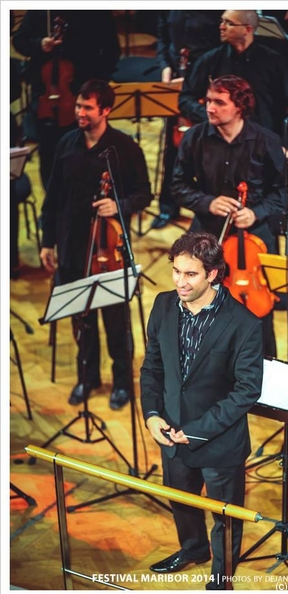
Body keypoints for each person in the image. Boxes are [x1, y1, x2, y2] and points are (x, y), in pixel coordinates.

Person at [140, 231, 263, 589]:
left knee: (225, 517)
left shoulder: (245, 324)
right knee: (181, 502)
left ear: (212, 274)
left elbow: (246, 391)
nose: (180, 282)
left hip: (219, 441)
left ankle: (221, 581)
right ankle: (193, 549)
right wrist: (152, 415)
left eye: (190, 274)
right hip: (170, 432)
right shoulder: (163, 305)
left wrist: (194, 431)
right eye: (176, 271)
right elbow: (152, 368)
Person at [40, 79, 152, 409]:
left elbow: (144, 193)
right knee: (81, 319)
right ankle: (87, 377)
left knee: (116, 322)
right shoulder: (66, 143)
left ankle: (122, 383)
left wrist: (119, 206)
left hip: (110, 251)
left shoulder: (124, 148)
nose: (80, 112)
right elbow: (53, 196)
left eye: (87, 107)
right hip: (72, 246)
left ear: (105, 110)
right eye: (78, 106)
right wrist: (48, 242)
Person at [172, 74, 286, 358]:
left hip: (254, 238)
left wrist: (256, 212)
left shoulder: (266, 141)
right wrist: (207, 202)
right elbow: (177, 186)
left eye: (219, 102)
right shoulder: (194, 138)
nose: (210, 108)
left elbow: (284, 193)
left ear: (240, 107)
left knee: (257, 316)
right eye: (208, 101)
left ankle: (262, 367)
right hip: (207, 236)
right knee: (202, 310)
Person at [12, 10, 121, 190]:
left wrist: (97, 86)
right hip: (47, 95)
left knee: (85, 154)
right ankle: (51, 200)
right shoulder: (42, 9)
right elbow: (20, 41)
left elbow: (112, 51)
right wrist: (39, 44)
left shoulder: (96, 11)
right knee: (49, 154)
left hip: (85, 93)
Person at [179, 9, 288, 149]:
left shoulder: (274, 62)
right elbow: (186, 98)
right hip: (221, 144)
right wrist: (210, 115)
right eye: (222, 21)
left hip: (263, 145)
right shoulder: (211, 60)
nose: (221, 27)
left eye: (229, 23)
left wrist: (285, 144)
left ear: (247, 29)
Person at [150, 10, 222, 229]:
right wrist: (165, 65)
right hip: (177, 78)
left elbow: (223, 46)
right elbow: (163, 39)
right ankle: (168, 206)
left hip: (208, 83)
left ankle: (210, 207)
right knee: (174, 148)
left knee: (211, 149)